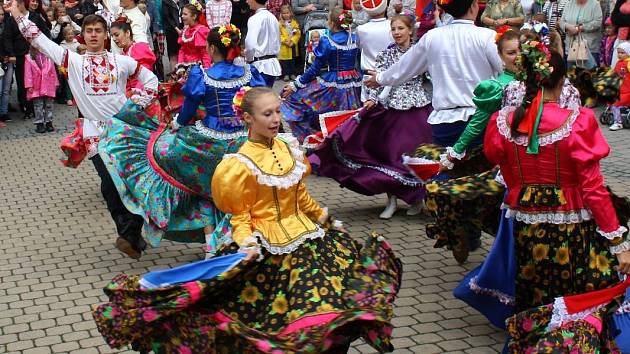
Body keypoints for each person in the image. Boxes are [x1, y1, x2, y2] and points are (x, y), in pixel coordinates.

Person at [92, 86, 403, 353]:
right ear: (247, 119)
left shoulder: (288, 147)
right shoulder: (238, 165)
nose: (276, 119)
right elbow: (239, 215)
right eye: (267, 114)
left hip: (311, 242)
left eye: (278, 112)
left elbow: (300, 196)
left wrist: (324, 218)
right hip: (268, 248)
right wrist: (246, 241)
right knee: (270, 323)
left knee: (335, 310)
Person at [5, 0, 159, 258]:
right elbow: (39, 39)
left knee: (133, 183)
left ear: (106, 34)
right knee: (109, 183)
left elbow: (151, 79)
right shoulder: (73, 61)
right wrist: (18, 14)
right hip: (94, 134)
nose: (94, 35)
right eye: (89, 31)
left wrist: (138, 102)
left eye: (99, 31)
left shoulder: (122, 61)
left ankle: (132, 235)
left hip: (123, 131)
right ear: (83, 35)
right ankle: (129, 234)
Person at [484, 42, 630, 314]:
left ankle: (532, 335)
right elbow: (593, 188)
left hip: (526, 217)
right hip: (571, 220)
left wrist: (522, 194)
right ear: (563, 80)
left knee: (534, 284)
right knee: (576, 290)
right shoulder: (578, 121)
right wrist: (617, 242)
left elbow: (504, 170)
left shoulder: (503, 122)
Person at [99, 25, 266, 257]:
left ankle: (211, 244)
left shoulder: (202, 75)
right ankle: (250, 238)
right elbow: (262, 101)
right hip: (243, 141)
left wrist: (177, 123)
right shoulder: (250, 73)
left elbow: (188, 108)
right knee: (243, 192)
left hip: (208, 144)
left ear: (211, 48)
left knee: (201, 187)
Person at [312, 14, 432, 220]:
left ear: (411, 30)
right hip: (390, 109)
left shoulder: (420, 52)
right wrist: (372, 98)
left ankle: (417, 198)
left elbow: (431, 76)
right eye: (393, 29)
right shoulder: (387, 54)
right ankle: (392, 200)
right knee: (387, 156)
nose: (397, 33)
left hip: (415, 109)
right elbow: (377, 79)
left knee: (414, 156)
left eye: (401, 28)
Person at [365, 0, 502, 148]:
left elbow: (404, 68)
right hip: (480, 119)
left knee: (446, 168)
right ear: (474, 7)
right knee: (482, 169)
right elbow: (506, 70)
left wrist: (380, 78)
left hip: (445, 122)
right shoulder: (487, 36)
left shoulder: (432, 37)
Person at [281, 8, 361, 142]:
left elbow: (315, 68)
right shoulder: (354, 38)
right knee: (349, 116)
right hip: (355, 81)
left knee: (296, 100)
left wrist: (295, 85)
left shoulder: (327, 41)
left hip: (334, 82)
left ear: (332, 24)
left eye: (328, 20)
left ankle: (320, 139)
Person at [3, 0, 51, 119]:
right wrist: (11, 54)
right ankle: (26, 108)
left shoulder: (35, 17)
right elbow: (7, 37)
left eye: (17, 5)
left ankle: (37, 108)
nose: (15, 7)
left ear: (23, 5)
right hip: (20, 57)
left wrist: (43, 49)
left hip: (36, 56)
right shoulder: (11, 20)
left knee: (36, 82)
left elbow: (45, 32)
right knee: (23, 82)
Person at [356, 0, 391, 101]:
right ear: (385, 7)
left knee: (369, 113)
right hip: (389, 74)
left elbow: (359, 47)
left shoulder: (361, 29)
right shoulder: (393, 26)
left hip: (371, 75)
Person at [110, 15, 156, 91]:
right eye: (112, 36)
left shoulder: (138, 48)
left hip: (141, 94)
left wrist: (136, 95)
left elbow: (145, 75)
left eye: (116, 35)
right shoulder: (123, 54)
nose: (114, 39)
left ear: (127, 33)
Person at [245, 0, 281, 87]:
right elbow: (278, 40)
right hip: (273, 64)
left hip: (259, 65)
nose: (247, 1)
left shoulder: (254, 18)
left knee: (258, 97)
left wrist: (248, 59)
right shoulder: (273, 17)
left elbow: (250, 43)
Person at [25, 46, 58, 133]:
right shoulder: (29, 58)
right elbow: (27, 73)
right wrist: (29, 85)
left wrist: (55, 82)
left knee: (49, 104)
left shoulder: (48, 57)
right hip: (36, 86)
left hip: (48, 84)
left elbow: (53, 70)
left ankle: (49, 122)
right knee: (38, 105)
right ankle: (39, 123)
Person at [559, 0, 602, 65]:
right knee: (571, 73)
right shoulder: (569, 4)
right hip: (571, 49)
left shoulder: (595, 4)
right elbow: (561, 22)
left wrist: (579, 28)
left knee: (589, 74)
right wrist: (568, 27)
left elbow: (598, 22)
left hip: (589, 49)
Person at [176, 2, 211, 68]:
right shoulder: (185, 30)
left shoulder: (200, 30)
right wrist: (180, 65)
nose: (182, 16)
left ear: (194, 16)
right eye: (182, 14)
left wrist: (206, 69)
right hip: (185, 66)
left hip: (198, 67)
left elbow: (205, 53)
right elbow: (182, 50)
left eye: (185, 14)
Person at [610, 42, 630, 131]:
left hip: (627, 90)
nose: (620, 54)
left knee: (616, 104)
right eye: (618, 53)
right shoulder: (619, 62)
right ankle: (619, 118)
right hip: (619, 89)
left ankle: (618, 122)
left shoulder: (628, 63)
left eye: (622, 53)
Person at [278, 4, 300, 81]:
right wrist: (285, 41)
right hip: (285, 45)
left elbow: (297, 33)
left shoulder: (294, 23)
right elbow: (279, 34)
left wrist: (293, 41)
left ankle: (292, 73)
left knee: (292, 60)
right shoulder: (280, 24)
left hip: (292, 45)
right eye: (284, 13)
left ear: (290, 13)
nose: (286, 15)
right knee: (285, 61)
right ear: (281, 14)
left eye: (287, 13)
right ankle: (286, 74)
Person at [59, 25, 79, 105]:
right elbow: (61, 57)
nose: (70, 35)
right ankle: (69, 98)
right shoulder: (62, 45)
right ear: (64, 36)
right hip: (66, 67)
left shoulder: (77, 43)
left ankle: (76, 98)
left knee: (76, 82)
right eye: (68, 34)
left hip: (75, 66)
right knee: (67, 83)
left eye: (72, 34)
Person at [0, 6, 13, 125]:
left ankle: (4, 112)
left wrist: (10, 55)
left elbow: (10, 41)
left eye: (2, 14)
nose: (1, 17)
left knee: (6, 89)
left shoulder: (7, 25)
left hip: (8, 60)